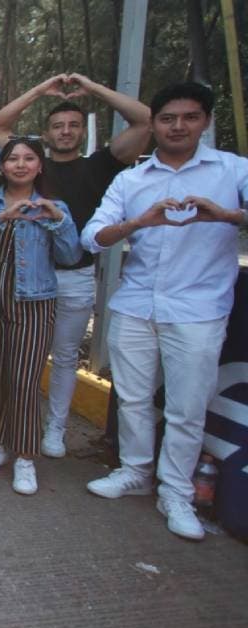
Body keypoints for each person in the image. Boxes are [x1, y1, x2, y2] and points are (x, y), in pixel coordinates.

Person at [80, 83, 248, 541]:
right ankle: (135, 471)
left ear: (206, 122)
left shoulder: (232, 170)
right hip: (136, 303)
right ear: (153, 124)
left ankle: (176, 491)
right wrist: (137, 222)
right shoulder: (133, 180)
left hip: (198, 309)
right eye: (168, 119)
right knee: (132, 397)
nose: (178, 126)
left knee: (186, 408)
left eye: (189, 117)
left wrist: (229, 216)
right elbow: (92, 237)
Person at [0, 72, 151, 457]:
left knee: (62, 358)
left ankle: (54, 429)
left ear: (82, 131)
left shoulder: (101, 164)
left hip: (73, 275)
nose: (65, 132)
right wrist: (42, 89)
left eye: (73, 125)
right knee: (19, 361)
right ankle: (10, 430)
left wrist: (91, 88)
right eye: (57, 126)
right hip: (22, 276)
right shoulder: (29, 164)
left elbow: (144, 119)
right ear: (45, 134)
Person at [0, 138, 80, 495]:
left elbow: (70, 255)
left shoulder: (55, 206)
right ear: (1, 167)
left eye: (28, 158)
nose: (20, 164)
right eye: (12, 159)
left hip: (34, 301)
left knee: (25, 379)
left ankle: (26, 456)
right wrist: (2, 218)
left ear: (40, 165)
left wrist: (57, 221)